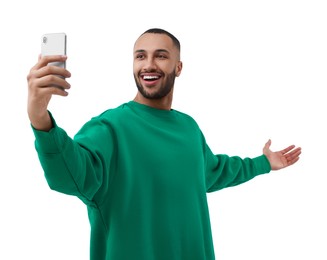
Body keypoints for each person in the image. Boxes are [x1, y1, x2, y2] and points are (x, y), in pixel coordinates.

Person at [27, 28, 301, 260]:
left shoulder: (189, 128)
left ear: (178, 67)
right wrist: (40, 117)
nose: (148, 64)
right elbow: (71, 176)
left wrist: (264, 163)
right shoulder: (109, 128)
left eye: (161, 56)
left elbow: (213, 171)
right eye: (140, 56)